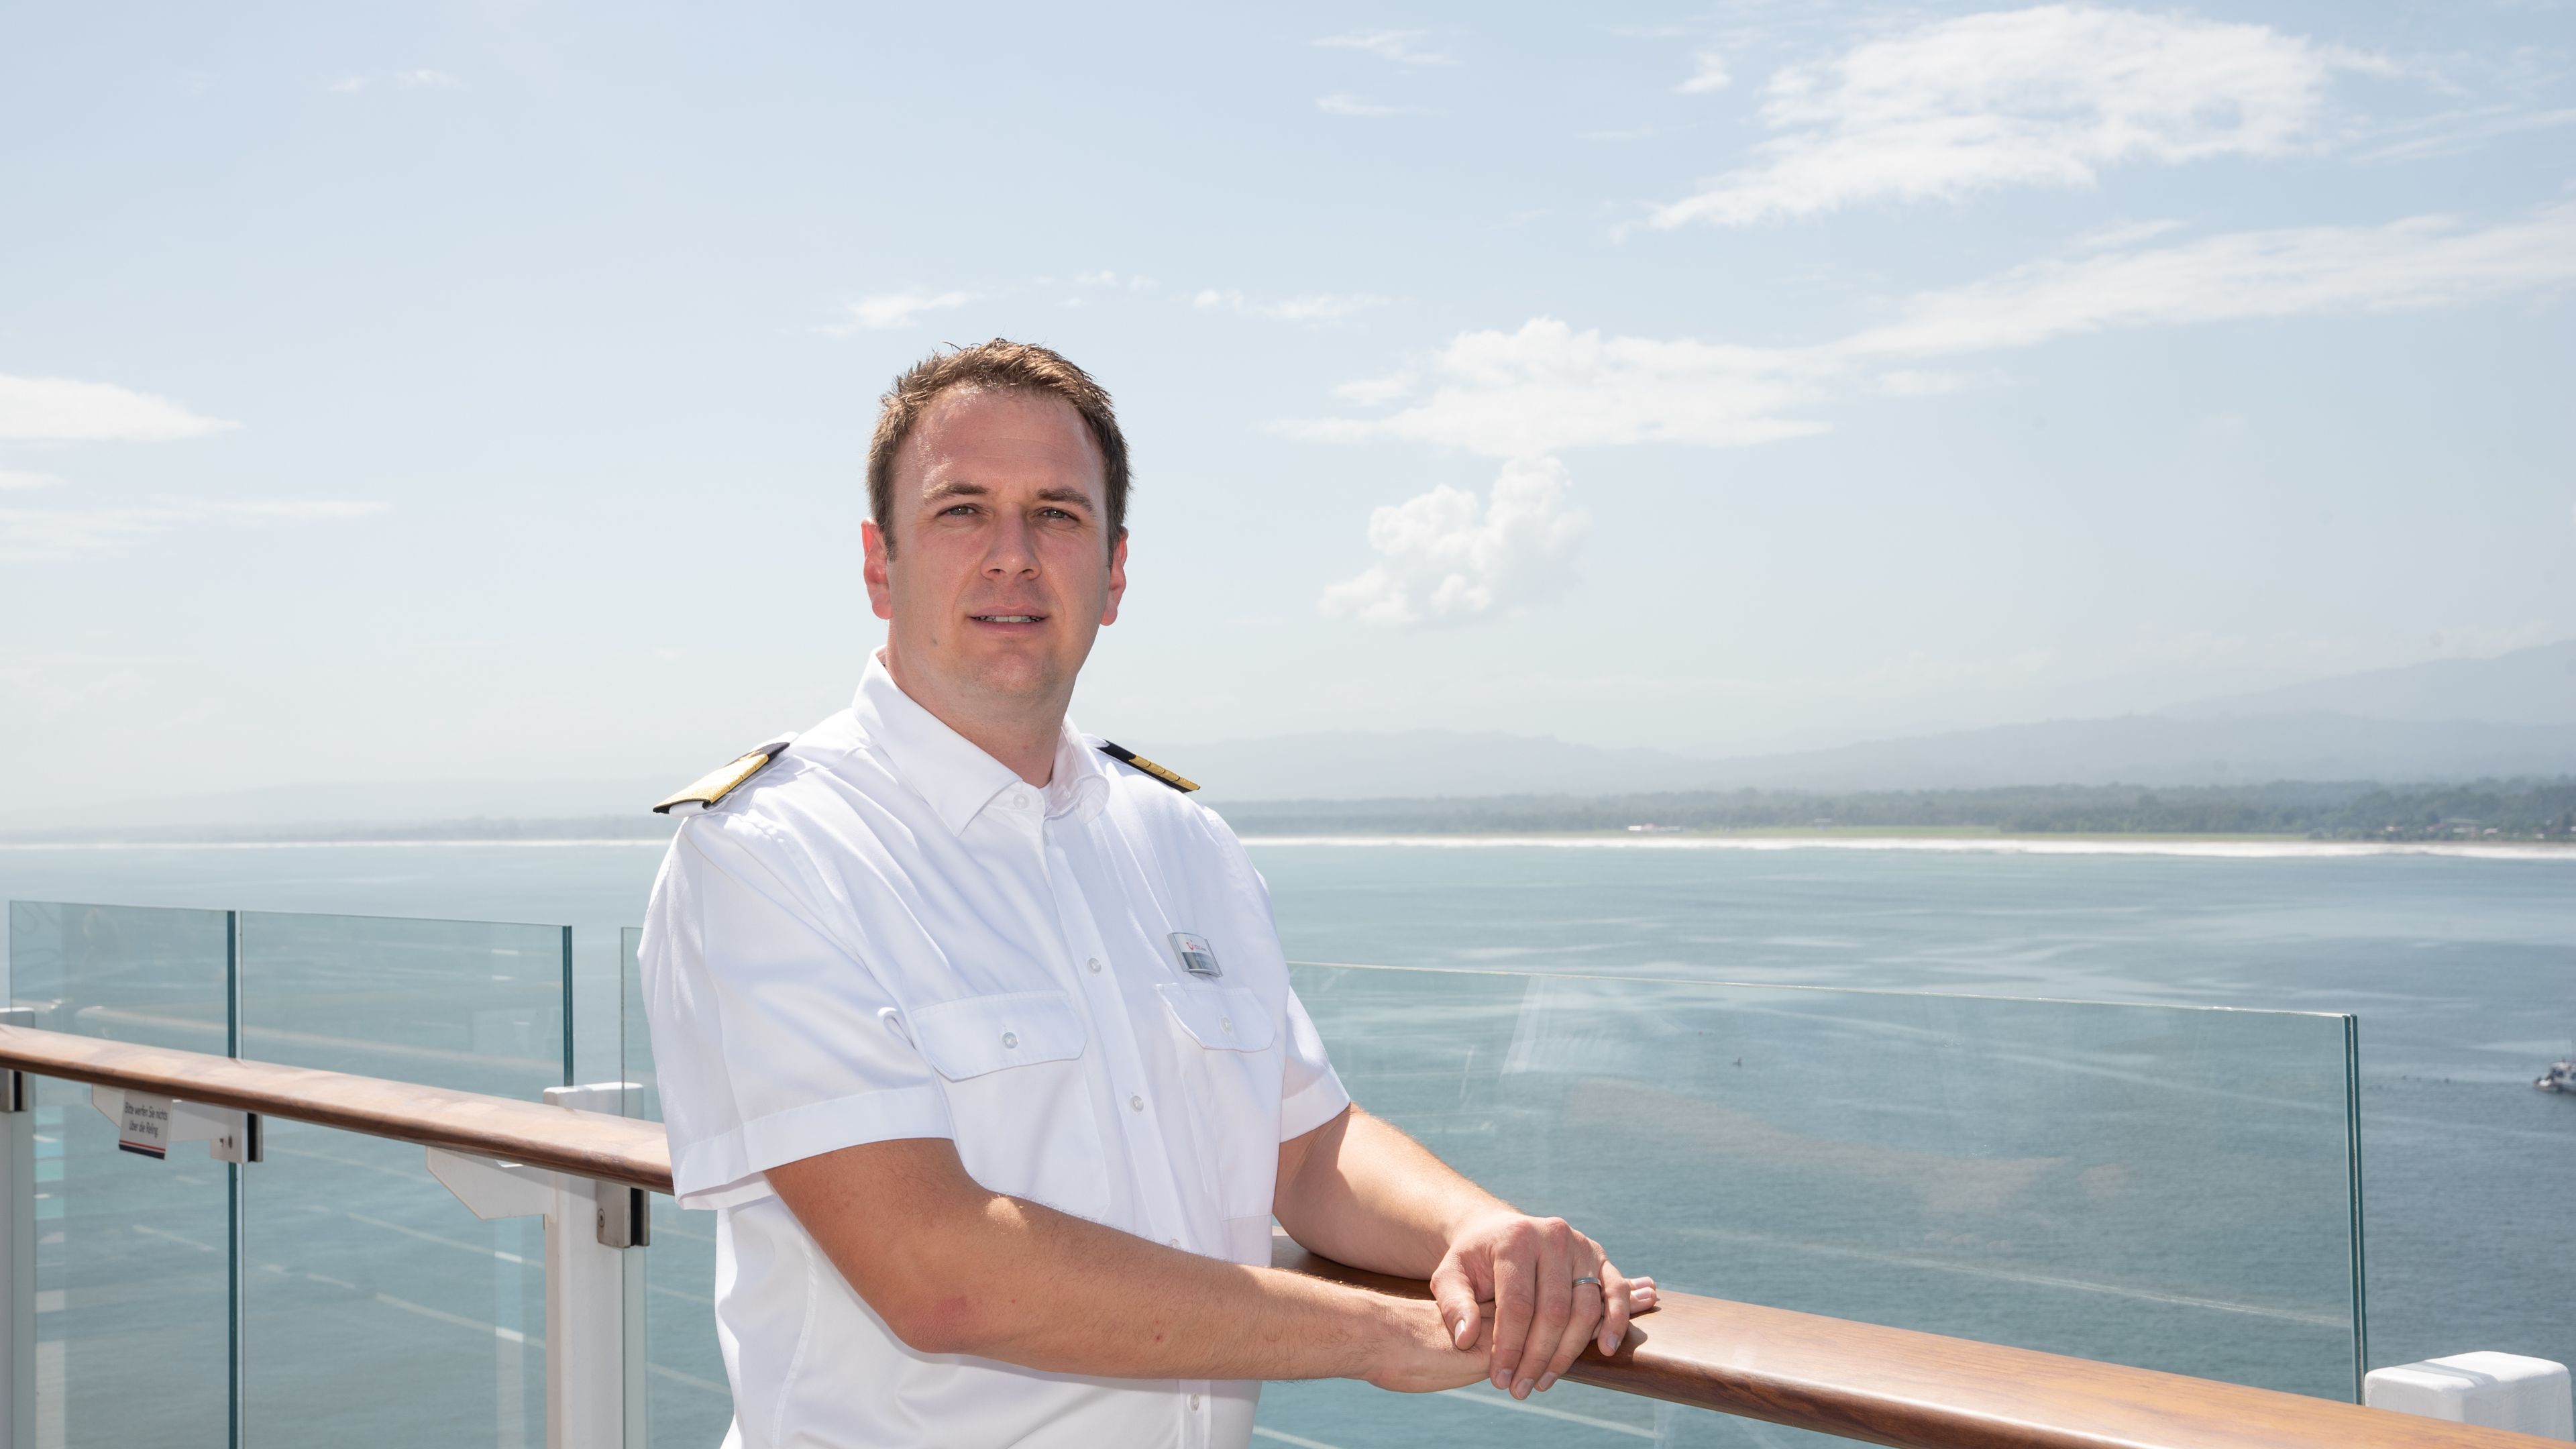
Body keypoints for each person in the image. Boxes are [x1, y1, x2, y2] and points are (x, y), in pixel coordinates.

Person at [637, 339, 1655, 1448]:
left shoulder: (1184, 843)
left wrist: (1482, 1233)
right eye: (963, 511)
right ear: (881, 565)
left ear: (1114, 572)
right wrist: (1379, 1337)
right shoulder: (774, 853)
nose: (1014, 555)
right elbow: (936, 1270)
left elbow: (1307, 1150)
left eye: (1059, 515)